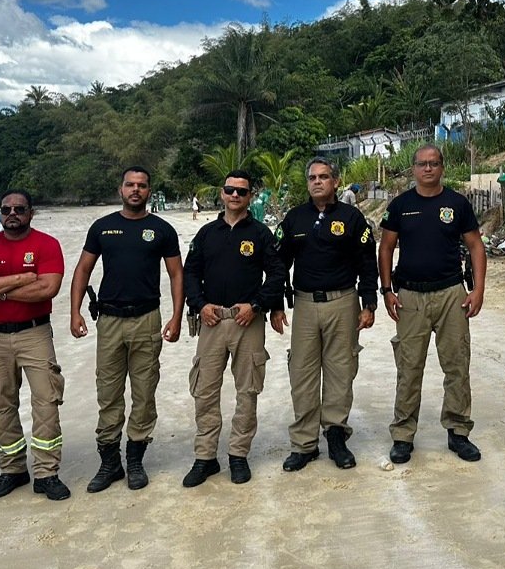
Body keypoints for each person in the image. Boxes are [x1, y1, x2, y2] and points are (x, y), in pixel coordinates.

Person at [70, 166, 184, 492]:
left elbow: (177, 274)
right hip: (109, 321)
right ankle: (110, 463)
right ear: (120, 189)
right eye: (130, 185)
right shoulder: (103, 228)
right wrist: (74, 311)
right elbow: (83, 269)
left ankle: (135, 458)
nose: (135, 190)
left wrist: (176, 317)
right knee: (108, 393)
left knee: (145, 392)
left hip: (147, 319)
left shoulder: (161, 230)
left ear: (150, 191)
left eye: (142, 186)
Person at [379, 145, 487, 466]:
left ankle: (458, 431)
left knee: (456, 363)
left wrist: (478, 289)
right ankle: (402, 434)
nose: (427, 169)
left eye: (434, 163)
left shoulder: (457, 204)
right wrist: (387, 290)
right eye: (422, 164)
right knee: (409, 366)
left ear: (442, 167)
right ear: (413, 169)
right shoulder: (400, 205)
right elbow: (386, 248)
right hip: (410, 296)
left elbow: (476, 246)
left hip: (451, 293)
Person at [271, 158, 377, 472]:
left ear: (335, 181)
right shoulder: (293, 219)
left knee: (340, 372)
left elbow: (367, 264)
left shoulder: (352, 218)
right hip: (304, 304)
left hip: (343, 301)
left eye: (324, 177)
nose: (318, 182)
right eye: (312, 177)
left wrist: (368, 303)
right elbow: (278, 265)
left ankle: (335, 436)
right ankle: (304, 444)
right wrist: (277, 304)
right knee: (302, 374)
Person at [182, 170, 286, 487]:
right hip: (212, 321)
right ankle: (205, 458)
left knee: (248, 391)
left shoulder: (261, 234)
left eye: (242, 191)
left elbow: (278, 274)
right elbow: (190, 273)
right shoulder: (206, 234)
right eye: (230, 190)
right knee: (205, 391)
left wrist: (256, 305)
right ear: (222, 194)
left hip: (247, 322)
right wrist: (200, 305)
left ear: (250, 196)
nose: (235, 196)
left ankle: (238, 455)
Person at [0, 190, 69, 502]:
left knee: (46, 400)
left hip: (35, 333)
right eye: (6, 209)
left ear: (31, 213)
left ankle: (46, 472)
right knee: (0, 402)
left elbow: (47, 288)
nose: (12, 213)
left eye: (19, 209)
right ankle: (12, 469)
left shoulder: (46, 244)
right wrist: (21, 280)